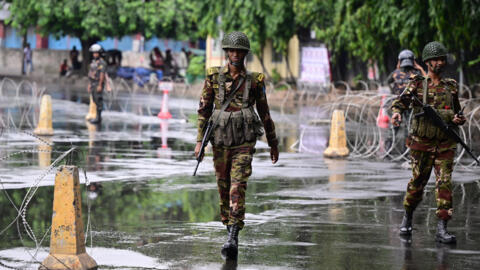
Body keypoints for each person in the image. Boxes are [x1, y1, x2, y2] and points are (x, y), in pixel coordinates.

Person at [195, 31, 279, 259]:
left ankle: (233, 236)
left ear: (244, 54)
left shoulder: (254, 81)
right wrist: (199, 143)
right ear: (226, 53)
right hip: (221, 143)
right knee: (223, 188)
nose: (235, 54)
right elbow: (203, 111)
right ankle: (229, 225)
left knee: (237, 187)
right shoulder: (213, 78)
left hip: (244, 142)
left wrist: (273, 143)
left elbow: (264, 112)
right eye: (231, 50)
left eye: (239, 51)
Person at [390, 41, 466, 244]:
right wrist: (397, 114)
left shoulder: (451, 86)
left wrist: (458, 118)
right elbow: (400, 103)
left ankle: (442, 228)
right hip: (421, 143)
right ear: (427, 62)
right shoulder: (417, 83)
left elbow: (457, 111)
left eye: (442, 59)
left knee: (444, 184)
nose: (440, 63)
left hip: (445, 144)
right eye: (435, 60)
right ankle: (407, 217)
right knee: (417, 183)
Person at [87, 44, 107, 124]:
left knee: (98, 100)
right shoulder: (94, 62)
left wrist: (100, 85)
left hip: (97, 83)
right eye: (93, 53)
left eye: (96, 53)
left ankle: (98, 118)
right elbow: (91, 72)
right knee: (94, 100)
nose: (94, 54)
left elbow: (102, 74)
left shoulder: (102, 63)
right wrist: (89, 84)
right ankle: (97, 116)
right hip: (92, 83)